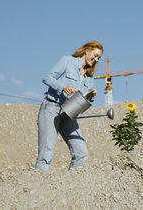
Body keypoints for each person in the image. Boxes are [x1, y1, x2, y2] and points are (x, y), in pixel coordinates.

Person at [35, 41, 103, 171]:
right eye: (95, 55)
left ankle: (72, 188)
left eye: (99, 58)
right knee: (46, 154)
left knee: (81, 153)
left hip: (69, 114)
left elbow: (81, 99)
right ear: (87, 51)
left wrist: (91, 95)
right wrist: (63, 87)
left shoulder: (89, 77)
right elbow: (47, 78)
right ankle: (38, 187)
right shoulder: (67, 61)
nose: (96, 59)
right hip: (51, 108)